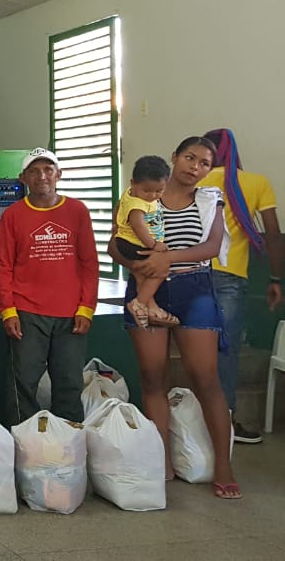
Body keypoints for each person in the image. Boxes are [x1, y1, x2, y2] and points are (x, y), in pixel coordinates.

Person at [108, 135, 239, 499]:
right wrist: (137, 266)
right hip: (147, 288)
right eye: (189, 158)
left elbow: (211, 248)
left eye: (203, 163)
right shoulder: (143, 195)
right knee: (153, 378)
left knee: (206, 379)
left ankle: (224, 466)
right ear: (174, 158)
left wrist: (167, 259)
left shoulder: (210, 201)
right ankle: (160, 460)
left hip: (194, 290)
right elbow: (114, 245)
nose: (194, 167)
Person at [0, 148, 99, 424]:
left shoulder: (77, 211)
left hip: (71, 314)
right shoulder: (12, 215)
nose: (42, 176)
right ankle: (26, 444)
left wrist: (87, 307)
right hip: (27, 312)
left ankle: (68, 447)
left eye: (48, 169)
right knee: (23, 384)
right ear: (23, 178)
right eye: (34, 171)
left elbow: (90, 263)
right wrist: (9, 311)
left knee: (69, 383)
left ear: (59, 175)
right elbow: (4, 265)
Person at [199, 127, 283, 444]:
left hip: (190, 274)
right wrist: (274, 279)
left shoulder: (196, 180)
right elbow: (272, 234)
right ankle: (226, 421)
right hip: (230, 278)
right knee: (226, 350)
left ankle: (194, 420)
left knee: (194, 347)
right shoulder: (256, 183)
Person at [114, 155, 178, 327]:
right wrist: (154, 245)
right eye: (147, 191)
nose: (153, 195)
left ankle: (150, 307)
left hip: (132, 242)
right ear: (133, 182)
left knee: (143, 275)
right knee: (159, 272)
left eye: (159, 191)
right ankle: (139, 303)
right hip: (134, 243)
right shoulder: (136, 204)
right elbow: (138, 225)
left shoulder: (134, 194)